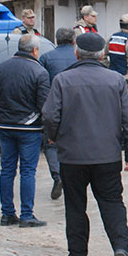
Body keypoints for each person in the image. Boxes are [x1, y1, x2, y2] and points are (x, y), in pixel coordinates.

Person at [43, 32, 128, 256]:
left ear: (76, 52)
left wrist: (54, 138)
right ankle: (121, 246)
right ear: (102, 54)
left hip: (72, 156)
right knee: (112, 202)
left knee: (75, 206)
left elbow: (49, 115)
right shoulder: (115, 80)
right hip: (107, 155)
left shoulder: (63, 80)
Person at [0, 34, 49, 227]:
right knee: (27, 171)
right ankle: (26, 214)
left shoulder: (2, 68)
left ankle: (7, 213)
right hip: (29, 128)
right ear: (34, 50)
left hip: (5, 126)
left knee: (6, 169)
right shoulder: (39, 72)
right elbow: (44, 105)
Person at [38, 27, 77, 200]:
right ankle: (72, 180)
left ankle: (57, 175)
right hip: (77, 107)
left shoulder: (46, 58)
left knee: (51, 143)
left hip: (54, 105)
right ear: (73, 41)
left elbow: (41, 83)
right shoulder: (78, 56)